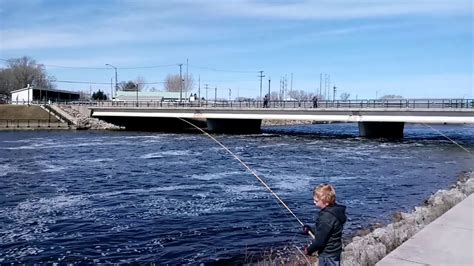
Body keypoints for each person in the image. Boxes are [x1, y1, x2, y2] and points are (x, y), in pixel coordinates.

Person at [303, 184, 347, 266]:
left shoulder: (326, 218)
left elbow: (320, 242)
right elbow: (326, 231)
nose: (314, 202)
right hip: (335, 251)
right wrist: (310, 230)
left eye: (316, 201)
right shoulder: (335, 212)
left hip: (327, 255)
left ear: (326, 203)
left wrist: (309, 250)